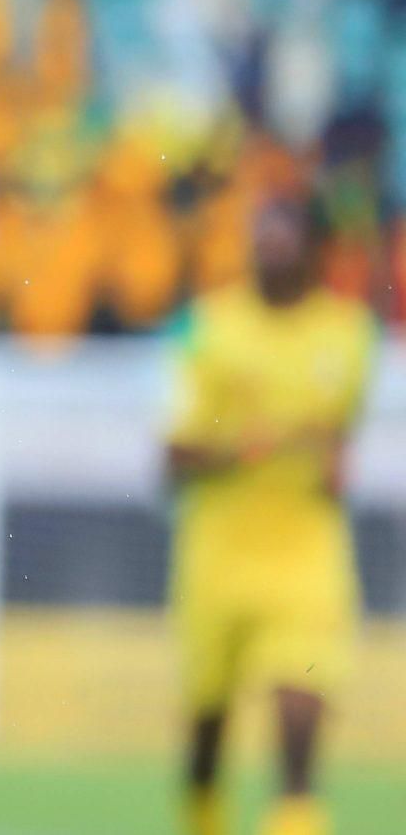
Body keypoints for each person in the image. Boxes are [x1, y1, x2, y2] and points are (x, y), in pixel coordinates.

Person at [165, 194, 378, 835]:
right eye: (261, 244)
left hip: (305, 548)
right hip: (219, 551)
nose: (268, 258)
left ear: (316, 254)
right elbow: (171, 457)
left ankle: (295, 816)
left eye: (282, 246)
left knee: (300, 709)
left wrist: (330, 463)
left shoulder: (349, 334)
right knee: (208, 730)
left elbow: (340, 436)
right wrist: (245, 449)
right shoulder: (206, 328)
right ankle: (204, 815)